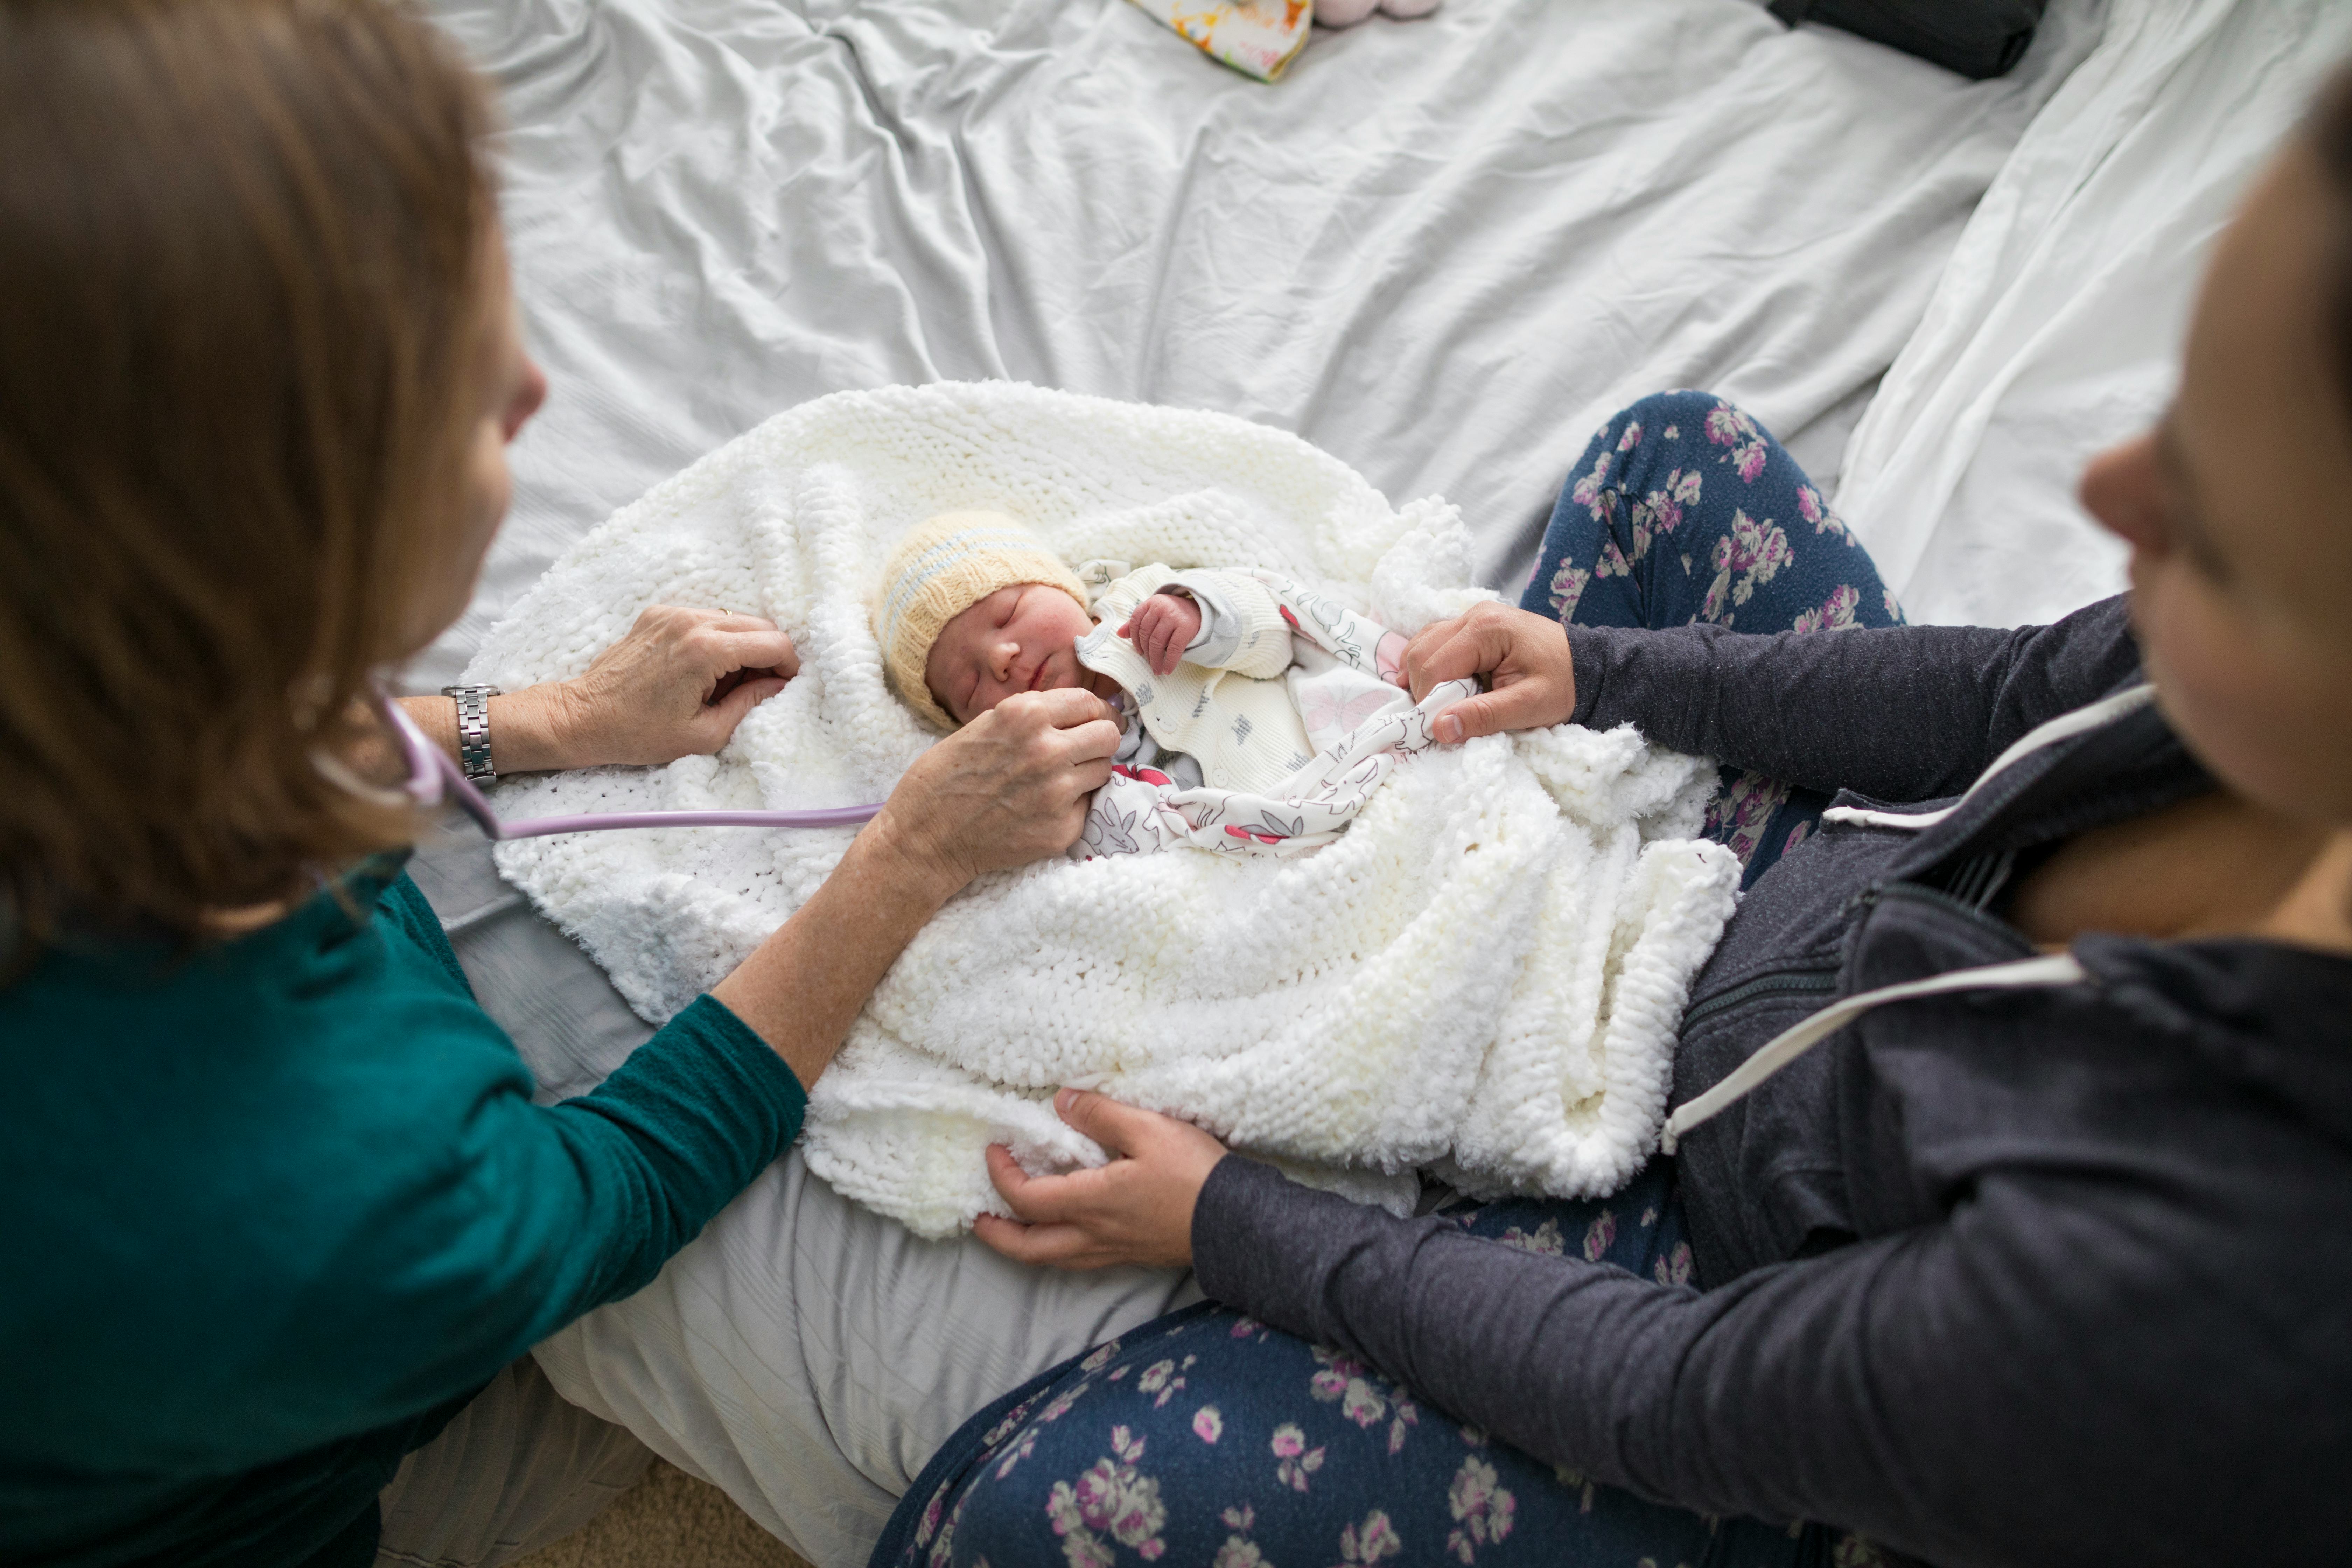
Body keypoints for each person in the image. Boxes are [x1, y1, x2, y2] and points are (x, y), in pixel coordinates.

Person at [872, 68, 2352, 1568]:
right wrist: (1602, 673)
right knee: (1671, 452)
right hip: (1762, 878)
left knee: (1011, 1525)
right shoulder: (2234, 710)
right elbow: (2010, 691)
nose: (2110, 491)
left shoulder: (2197, 1292)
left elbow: (1671, 1391)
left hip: (1707, 1279)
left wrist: (1234, 1220)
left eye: (2212, 521)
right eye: (2176, 413)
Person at [0, 4, 1124, 1566]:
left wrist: (548, 717)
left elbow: (239, 728)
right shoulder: (333, 1181)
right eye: (467, 392)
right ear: (282, 551)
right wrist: (907, 860)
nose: (534, 386)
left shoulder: (74, 647)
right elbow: (605, 1188)